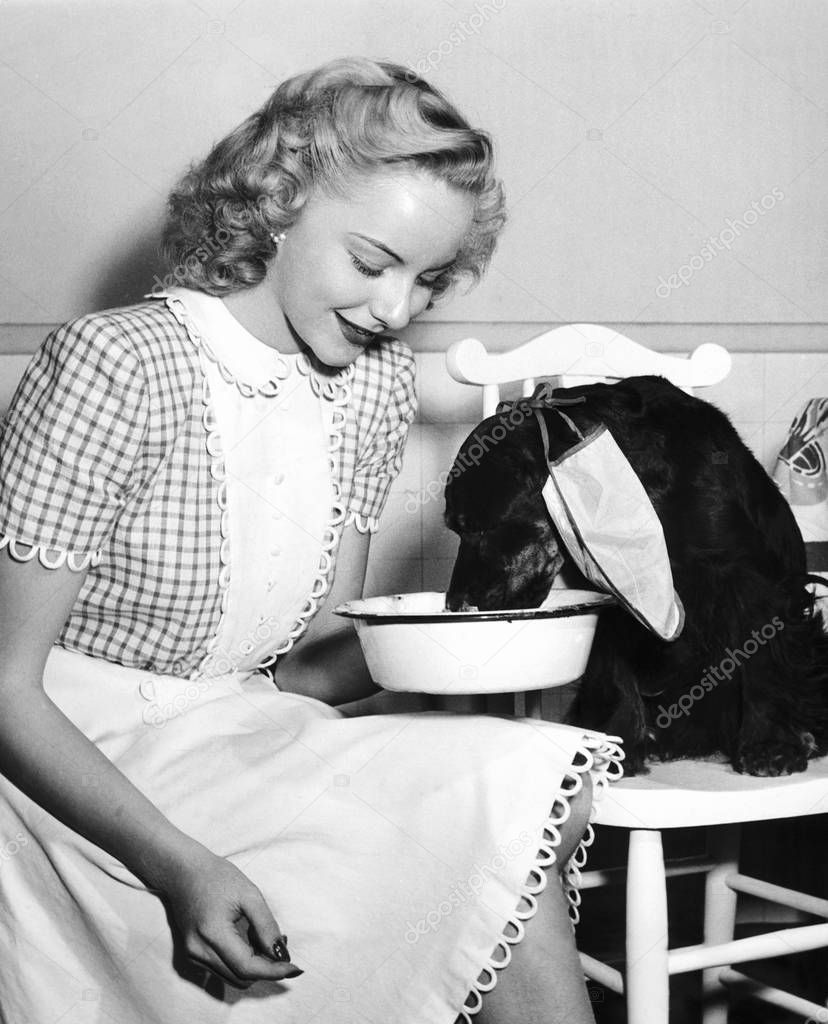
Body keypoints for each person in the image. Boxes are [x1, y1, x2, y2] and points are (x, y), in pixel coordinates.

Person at [0, 57, 623, 1023]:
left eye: (429, 280)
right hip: (73, 760)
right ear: (275, 206)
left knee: (515, 788)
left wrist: (478, 627)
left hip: (241, 731)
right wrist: (181, 868)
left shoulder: (370, 386)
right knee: (488, 823)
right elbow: (4, 686)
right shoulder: (117, 366)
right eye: (372, 264)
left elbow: (310, 668)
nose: (395, 311)